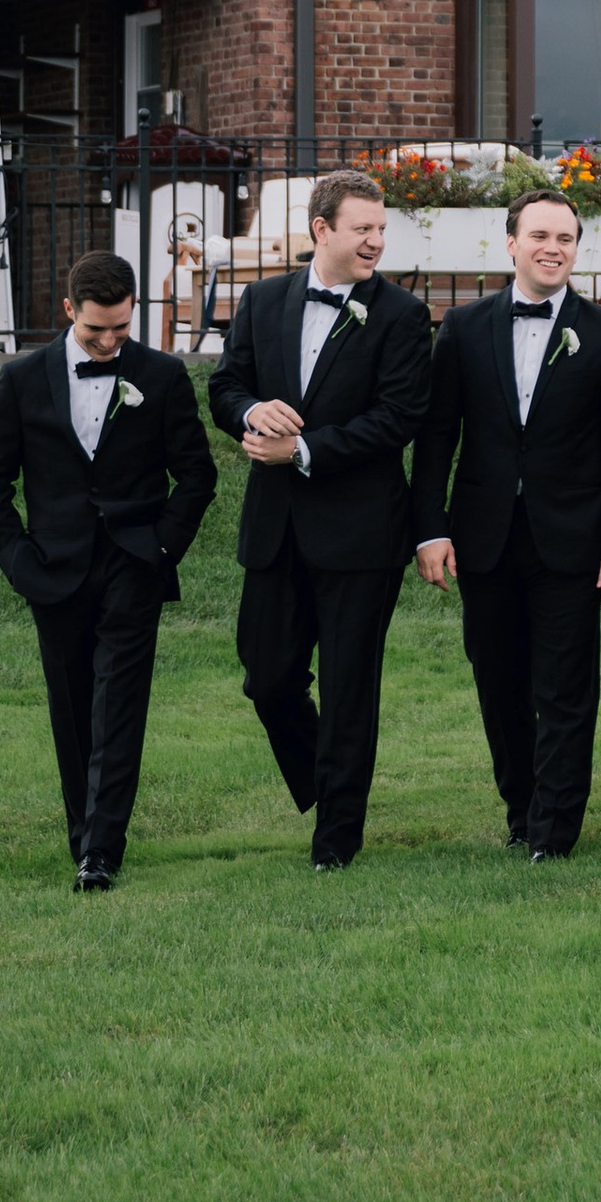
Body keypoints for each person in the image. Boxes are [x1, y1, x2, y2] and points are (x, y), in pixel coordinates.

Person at [413, 186, 601, 862]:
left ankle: (554, 830)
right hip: (483, 537)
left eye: (566, 239)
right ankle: (521, 809)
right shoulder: (462, 329)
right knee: (499, 684)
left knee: (567, 688)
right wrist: (430, 530)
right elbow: (436, 439)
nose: (553, 249)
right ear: (511, 242)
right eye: (540, 236)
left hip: (572, 537)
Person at [0, 248, 216, 889]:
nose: (109, 342)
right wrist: (19, 562)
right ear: (69, 310)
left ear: (134, 313)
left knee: (119, 704)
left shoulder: (161, 377)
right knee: (72, 705)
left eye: (121, 329)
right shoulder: (22, 380)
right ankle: (82, 834)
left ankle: (102, 851)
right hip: (51, 569)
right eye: (94, 329)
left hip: (134, 563)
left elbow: (196, 475)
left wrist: (162, 549)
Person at [210, 168, 434, 874]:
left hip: (362, 532)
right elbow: (226, 385)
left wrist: (302, 448)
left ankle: (338, 835)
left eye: (380, 229)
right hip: (275, 529)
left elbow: (398, 420)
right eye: (362, 228)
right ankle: (320, 783)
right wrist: (250, 414)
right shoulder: (264, 299)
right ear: (321, 231)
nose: (375, 241)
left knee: (347, 688)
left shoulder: (400, 315)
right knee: (267, 677)